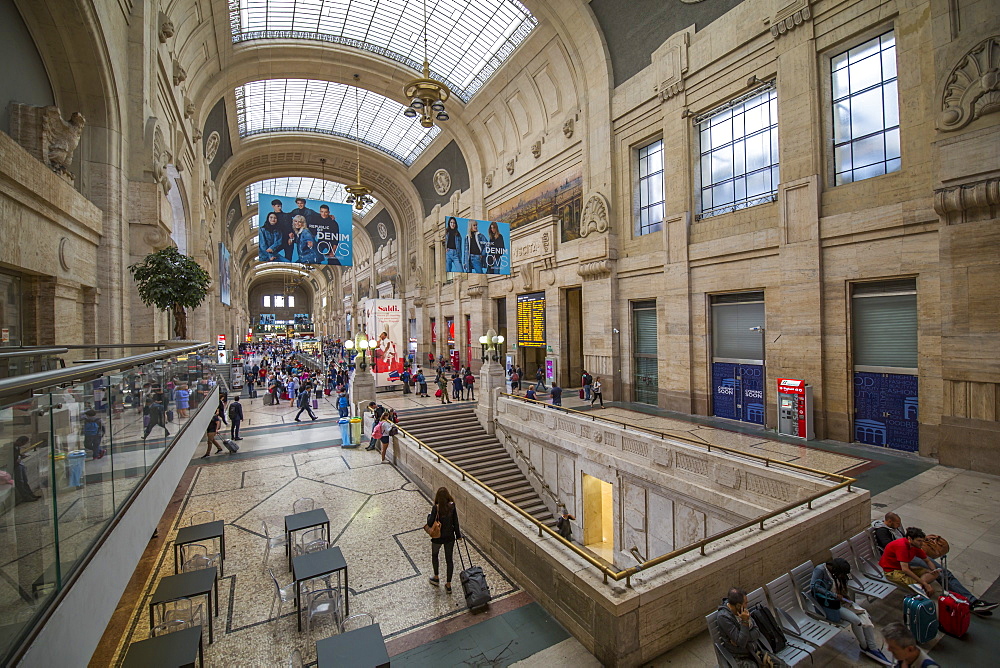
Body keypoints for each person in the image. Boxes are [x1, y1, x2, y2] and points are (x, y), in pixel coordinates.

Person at [873, 512, 996, 614]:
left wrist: (933, 569)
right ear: (889, 521)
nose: (899, 525)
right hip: (902, 558)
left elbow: (926, 559)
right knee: (941, 576)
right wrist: (925, 582)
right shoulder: (886, 535)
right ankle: (970, 602)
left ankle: (967, 600)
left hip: (909, 553)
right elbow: (903, 565)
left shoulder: (910, 541)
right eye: (897, 523)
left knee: (939, 573)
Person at [810, 559, 891, 665]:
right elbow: (813, 586)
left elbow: (841, 583)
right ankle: (864, 646)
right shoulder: (820, 570)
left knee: (865, 615)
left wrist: (843, 595)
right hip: (829, 604)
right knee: (856, 620)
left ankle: (872, 647)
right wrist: (834, 595)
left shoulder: (837, 570)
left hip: (841, 601)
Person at [716, 587, 790, 668]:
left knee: (782, 665)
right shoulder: (724, 617)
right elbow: (741, 643)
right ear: (738, 606)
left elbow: (757, 632)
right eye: (745, 603)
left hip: (754, 650)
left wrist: (742, 637)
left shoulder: (743, 611)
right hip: (740, 656)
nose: (747, 605)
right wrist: (744, 621)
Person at [879, 527, 938, 595]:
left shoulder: (915, 546)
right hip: (892, 571)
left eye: (922, 541)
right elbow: (905, 569)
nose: (922, 543)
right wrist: (925, 584)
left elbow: (927, 561)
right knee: (920, 585)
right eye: (919, 541)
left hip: (904, 568)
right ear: (910, 539)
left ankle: (919, 586)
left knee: (933, 574)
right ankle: (919, 587)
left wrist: (934, 570)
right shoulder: (902, 547)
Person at [425, 486, 462, 593]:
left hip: (437, 537)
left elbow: (430, 523)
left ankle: (436, 577)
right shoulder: (452, 506)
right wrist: (458, 535)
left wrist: (429, 516)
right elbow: (456, 522)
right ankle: (449, 584)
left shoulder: (436, 508)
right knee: (449, 559)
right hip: (450, 537)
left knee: (435, 555)